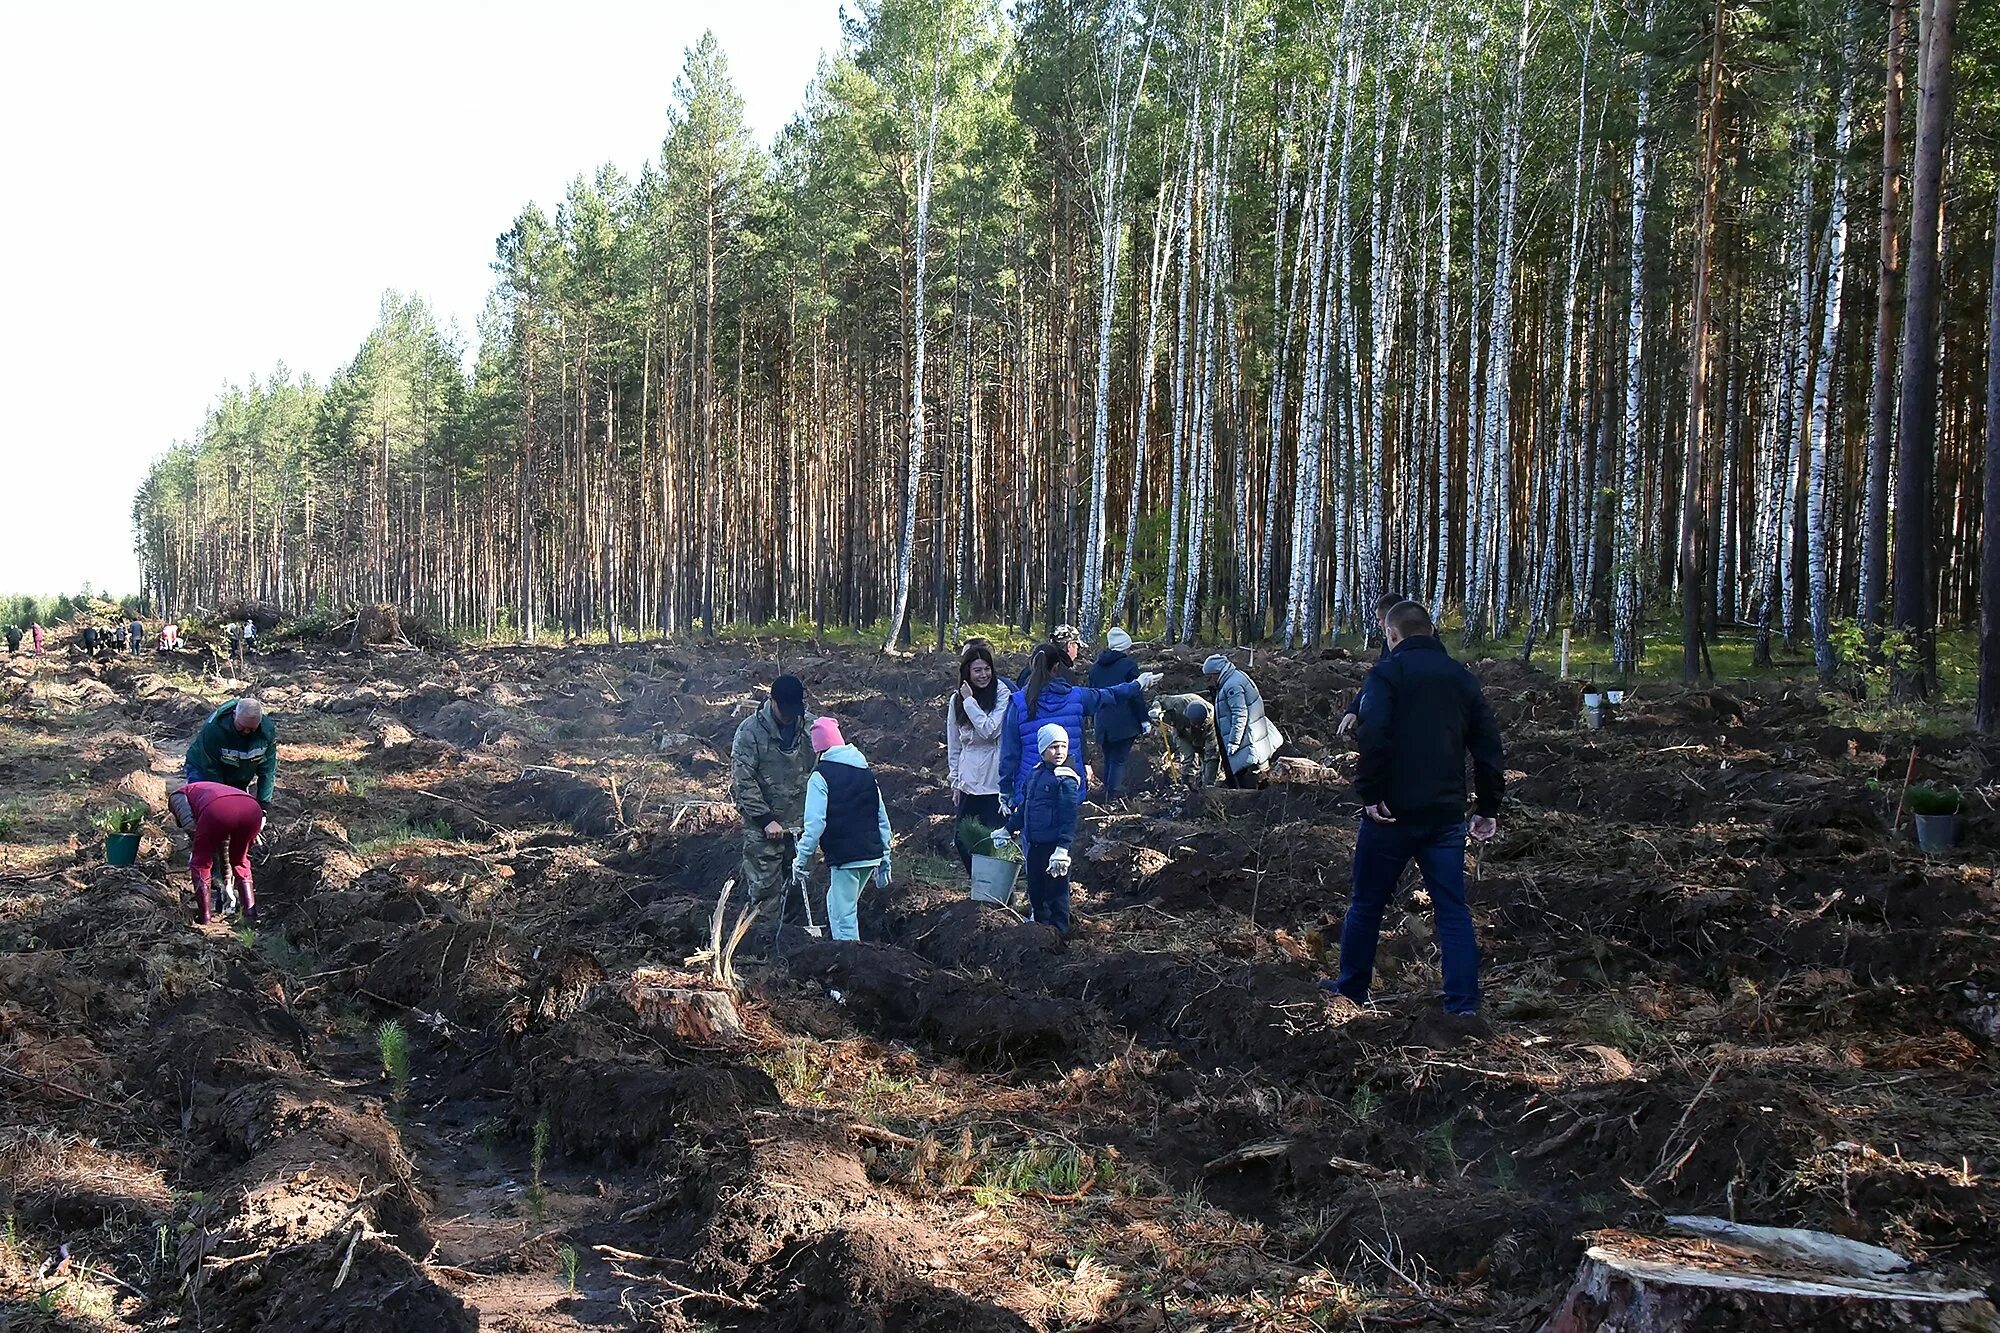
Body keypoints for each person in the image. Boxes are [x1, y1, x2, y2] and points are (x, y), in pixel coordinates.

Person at [1330, 600, 1504, 1020]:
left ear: (1392, 636)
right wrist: (1487, 806)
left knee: (1367, 903)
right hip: (1445, 815)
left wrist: (1370, 793)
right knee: (1452, 911)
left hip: (1391, 814)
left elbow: (1375, 735)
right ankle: (1463, 1007)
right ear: (1432, 631)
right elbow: (1488, 747)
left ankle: (1350, 993)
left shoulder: (1387, 673)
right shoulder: (1462, 679)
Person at [1000, 644, 1160, 814]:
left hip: (1031, 788)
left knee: (1034, 836)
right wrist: (1138, 684)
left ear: (1032, 664)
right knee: (1068, 836)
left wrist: (1005, 789)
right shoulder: (1077, 696)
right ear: (1057, 666)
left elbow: (1010, 753)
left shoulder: (1017, 703)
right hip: (1070, 786)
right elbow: (1110, 694)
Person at [792, 718, 892, 942]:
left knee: (844, 916)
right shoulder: (866, 773)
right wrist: (885, 858)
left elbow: (815, 824)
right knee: (836, 903)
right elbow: (882, 818)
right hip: (870, 855)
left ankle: (851, 964)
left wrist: (801, 860)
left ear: (818, 748)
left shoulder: (820, 775)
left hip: (845, 857)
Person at [730, 674, 818, 918]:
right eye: (785, 709)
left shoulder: (811, 728)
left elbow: (826, 768)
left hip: (802, 828)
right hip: (765, 829)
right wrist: (765, 819)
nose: (790, 716)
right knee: (766, 896)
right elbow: (743, 782)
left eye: (795, 709)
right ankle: (766, 948)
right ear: (772, 701)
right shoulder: (750, 732)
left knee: (803, 892)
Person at [1005, 723, 1082, 934]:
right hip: (1035, 843)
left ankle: (1059, 932)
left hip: (1053, 846)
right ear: (1042, 750)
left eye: (1063, 747)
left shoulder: (1065, 778)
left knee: (1056, 892)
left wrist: (1063, 848)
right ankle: (1040, 929)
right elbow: (1025, 807)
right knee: (1036, 889)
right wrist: (1008, 828)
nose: (1059, 752)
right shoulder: (1035, 773)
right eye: (1053, 747)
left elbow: (1068, 816)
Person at [946, 640, 1009, 867]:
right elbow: (954, 744)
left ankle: (998, 891)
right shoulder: (956, 700)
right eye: (977, 671)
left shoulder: (1002, 693)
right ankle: (980, 884)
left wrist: (970, 702)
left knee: (992, 840)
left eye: (986, 669)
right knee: (963, 839)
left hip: (994, 779)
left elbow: (990, 730)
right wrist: (955, 781)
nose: (983, 675)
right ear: (967, 673)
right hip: (968, 780)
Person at [180, 780, 264, 924]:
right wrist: (226, 877)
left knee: (200, 862)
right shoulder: (206, 790)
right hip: (253, 809)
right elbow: (224, 839)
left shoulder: (177, 796)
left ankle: (205, 917)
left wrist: (205, 851)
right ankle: (250, 913)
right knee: (240, 860)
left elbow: (191, 827)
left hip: (217, 811)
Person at [1205, 654, 1284, 787]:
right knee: (1259, 776)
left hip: (1248, 741)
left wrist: (1234, 742)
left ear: (1216, 673)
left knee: (1251, 782)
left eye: (1209, 676)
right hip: (1255, 738)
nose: (1209, 680)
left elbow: (1240, 714)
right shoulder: (1236, 677)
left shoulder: (1232, 686)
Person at [1087, 628, 1147, 799]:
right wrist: (1143, 719)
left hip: (1102, 722)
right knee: (1119, 760)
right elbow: (1136, 694)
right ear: (1125, 647)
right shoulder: (1129, 666)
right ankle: (1113, 798)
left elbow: (1092, 695)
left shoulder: (1095, 668)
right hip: (1124, 722)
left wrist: (1093, 720)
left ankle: (1107, 794)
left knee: (1109, 758)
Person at [1338, 593, 1410, 737]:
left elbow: (1377, 681)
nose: (1378, 624)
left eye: (1380, 619)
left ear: (1391, 619)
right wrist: (1354, 709)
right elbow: (1375, 678)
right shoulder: (1388, 646)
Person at [184, 697, 279, 802]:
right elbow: (211, 769)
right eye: (242, 727)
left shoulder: (266, 733)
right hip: (202, 769)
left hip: (237, 775)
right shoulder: (215, 730)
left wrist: (264, 803)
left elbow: (267, 771)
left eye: (252, 729)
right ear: (234, 715)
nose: (246, 731)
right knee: (207, 804)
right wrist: (221, 797)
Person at [1155, 693, 1218, 788]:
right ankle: (1186, 785)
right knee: (1188, 756)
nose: (1195, 725)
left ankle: (1203, 783)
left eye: (1197, 724)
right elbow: (1159, 699)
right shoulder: (1178, 703)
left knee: (1207, 757)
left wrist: (1209, 785)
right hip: (1182, 731)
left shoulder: (1212, 722)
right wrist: (1156, 708)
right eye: (1193, 723)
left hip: (1201, 735)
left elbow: (1212, 755)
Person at [1016, 623, 1085, 687]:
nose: (1077, 654)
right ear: (1069, 646)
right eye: (1077, 647)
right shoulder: (1066, 675)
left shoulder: (1029, 668)